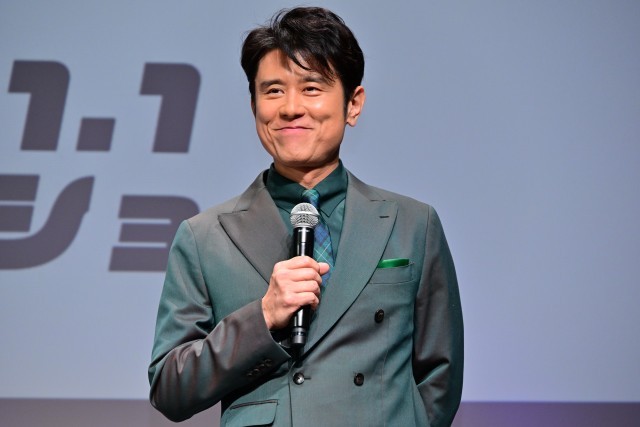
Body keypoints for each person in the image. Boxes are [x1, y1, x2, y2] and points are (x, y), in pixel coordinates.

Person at [149, 6, 463, 427]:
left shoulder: (412, 224)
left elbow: (439, 378)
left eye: (312, 88)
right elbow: (170, 388)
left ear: (353, 104)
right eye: (273, 91)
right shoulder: (206, 236)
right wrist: (262, 317)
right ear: (254, 104)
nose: (291, 108)